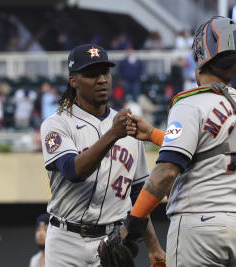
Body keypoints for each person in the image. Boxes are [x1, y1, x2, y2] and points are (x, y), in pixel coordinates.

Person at [100, 16, 236, 267]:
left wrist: (131, 225)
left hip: (201, 225)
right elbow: (208, 151)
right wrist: (154, 134)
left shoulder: (190, 103)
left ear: (199, 65)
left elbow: (166, 172)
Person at [40, 43, 165, 267]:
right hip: (66, 241)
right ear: (73, 81)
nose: (101, 79)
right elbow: (73, 171)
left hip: (112, 241)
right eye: (91, 74)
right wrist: (113, 134)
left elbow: (137, 195)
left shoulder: (127, 126)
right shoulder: (57, 124)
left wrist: (154, 247)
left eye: (105, 72)